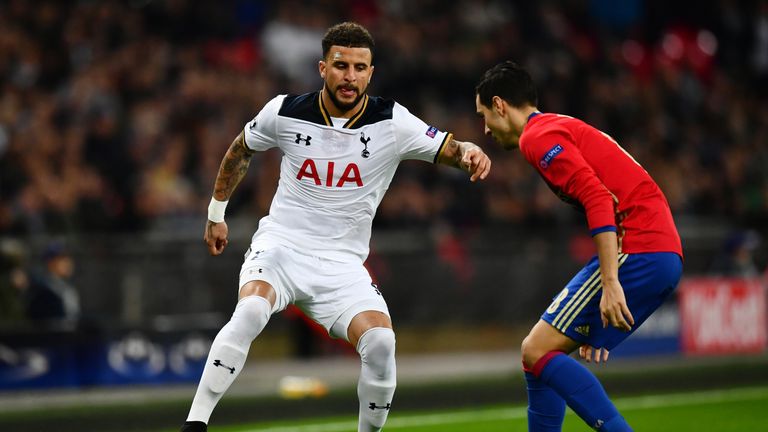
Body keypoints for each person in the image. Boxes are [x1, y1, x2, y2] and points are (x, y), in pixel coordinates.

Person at [180, 22, 491, 432]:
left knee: (381, 342)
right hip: (282, 248)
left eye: (360, 67)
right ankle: (195, 424)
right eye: (341, 65)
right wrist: (216, 214)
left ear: (370, 72)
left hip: (343, 264)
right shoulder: (284, 111)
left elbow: (450, 148)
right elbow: (240, 150)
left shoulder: (392, 121)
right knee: (252, 309)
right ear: (323, 68)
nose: (350, 76)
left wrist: (468, 149)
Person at [474, 61, 683, 431]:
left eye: (484, 115)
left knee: (534, 350)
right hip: (660, 249)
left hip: (639, 247)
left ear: (500, 104)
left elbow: (598, 198)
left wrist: (610, 282)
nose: (485, 128)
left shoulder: (536, 138)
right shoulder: (556, 125)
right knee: (540, 356)